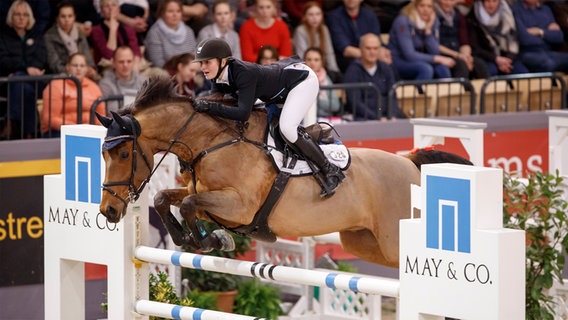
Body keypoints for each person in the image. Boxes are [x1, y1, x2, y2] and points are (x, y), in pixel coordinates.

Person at [192, 38, 345, 197]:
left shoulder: (243, 73)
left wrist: (208, 106)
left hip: (301, 81)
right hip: (275, 92)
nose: (202, 67)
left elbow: (242, 113)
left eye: (207, 62)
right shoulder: (217, 77)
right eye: (201, 63)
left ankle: (330, 170)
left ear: (223, 61)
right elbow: (217, 105)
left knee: (287, 128)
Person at [0, 0, 47, 139]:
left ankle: (10, 122)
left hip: (35, 79)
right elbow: (2, 60)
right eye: (17, 14)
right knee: (23, 87)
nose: (21, 18)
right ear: (11, 16)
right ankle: (29, 132)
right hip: (8, 82)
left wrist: (28, 70)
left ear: (30, 17)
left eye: (25, 15)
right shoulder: (3, 36)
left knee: (20, 81)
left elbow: (42, 57)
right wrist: (26, 68)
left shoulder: (36, 35)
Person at [41, 53, 104, 138]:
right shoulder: (56, 85)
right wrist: (76, 129)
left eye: (82, 66)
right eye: (75, 65)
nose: (78, 69)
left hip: (88, 132)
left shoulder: (94, 87)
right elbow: (50, 119)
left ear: (86, 69)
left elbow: (101, 115)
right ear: (68, 67)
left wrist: (91, 129)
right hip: (58, 132)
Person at [389, 0, 455, 80]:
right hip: (400, 60)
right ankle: (420, 92)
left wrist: (428, 31)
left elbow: (435, 51)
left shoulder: (433, 22)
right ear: (415, 6)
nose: (425, 9)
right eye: (422, 6)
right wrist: (438, 59)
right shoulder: (403, 21)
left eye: (429, 6)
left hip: (421, 59)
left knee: (443, 69)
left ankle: (447, 92)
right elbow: (409, 55)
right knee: (426, 69)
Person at [344, 33, 402, 120]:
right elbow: (355, 103)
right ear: (361, 49)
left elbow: (392, 96)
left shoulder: (386, 68)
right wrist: (377, 118)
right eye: (368, 48)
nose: (372, 52)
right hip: (364, 118)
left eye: (375, 48)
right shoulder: (353, 71)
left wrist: (392, 115)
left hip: (387, 116)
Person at [326, 0, 391, 72]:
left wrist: (383, 53)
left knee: (389, 61)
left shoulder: (370, 15)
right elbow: (345, 50)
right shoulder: (334, 17)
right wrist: (372, 55)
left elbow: (376, 40)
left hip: (369, 53)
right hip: (347, 59)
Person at [467, 0, 529, 76]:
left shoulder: (507, 16)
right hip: (486, 57)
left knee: (522, 72)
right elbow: (476, 48)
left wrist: (507, 61)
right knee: (492, 71)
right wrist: (496, 59)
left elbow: (513, 41)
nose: (491, 5)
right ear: (482, 3)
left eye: (494, 1)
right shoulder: (473, 19)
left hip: (507, 56)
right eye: (488, 1)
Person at [435, 0, 489, 79]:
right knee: (461, 65)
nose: (448, 3)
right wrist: (458, 55)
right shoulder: (433, 15)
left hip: (458, 53)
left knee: (479, 64)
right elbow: (433, 44)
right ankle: (459, 90)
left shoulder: (458, 15)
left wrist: (466, 57)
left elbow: (464, 41)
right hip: (442, 53)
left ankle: (483, 90)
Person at [44, 1, 98, 79]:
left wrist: (90, 69)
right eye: (63, 16)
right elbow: (54, 65)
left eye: (70, 16)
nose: (67, 19)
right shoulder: (49, 36)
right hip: (61, 77)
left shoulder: (80, 34)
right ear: (57, 18)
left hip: (82, 74)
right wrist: (74, 71)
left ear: (74, 17)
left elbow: (88, 58)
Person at [512, 0, 568, 73]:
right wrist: (548, 33)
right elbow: (525, 39)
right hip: (527, 53)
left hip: (548, 52)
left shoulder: (546, 9)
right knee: (549, 63)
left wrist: (540, 32)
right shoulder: (515, 10)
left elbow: (559, 37)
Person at [90, 0, 143, 70]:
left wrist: (134, 67)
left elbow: (136, 51)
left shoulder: (128, 29)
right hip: (109, 67)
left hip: (131, 65)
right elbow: (108, 55)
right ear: (102, 11)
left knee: (157, 73)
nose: (110, 8)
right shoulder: (96, 31)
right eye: (106, 6)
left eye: (113, 5)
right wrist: (113, 30)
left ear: (118, 9)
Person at [144, 0, 197, 68]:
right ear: (162, 13)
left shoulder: (189, 31)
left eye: (178, 11)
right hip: (165, 75)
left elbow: (195, 56)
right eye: (170, 11)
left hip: (191, 72)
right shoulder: (154, 33)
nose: (175, 15)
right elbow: (157, 63)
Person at [292, 1, 339, 72]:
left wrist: (335, 71)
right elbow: (301, 56)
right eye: (311, 15)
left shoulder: (324, 29)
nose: (315, 18)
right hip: (306, 69)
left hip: (322, 68)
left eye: (318, 14)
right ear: (305, 17)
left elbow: (329, 53)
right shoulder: (300, 30)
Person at [99, 46, 147, 113]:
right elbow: (112, 113)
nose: (125, 65)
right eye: (121, 62)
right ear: (113, 63)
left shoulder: (144, 82)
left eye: (129, 61)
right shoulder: (105, 84)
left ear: (134, 62)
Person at [303, 47, 343, 119]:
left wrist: (316, 98)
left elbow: (335, 105)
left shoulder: (326, 78)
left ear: (322, 62)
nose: (312, 63)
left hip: (326, 119)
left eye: (316, 60)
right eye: (309, 59)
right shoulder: (300, 79)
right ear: (304, 61)